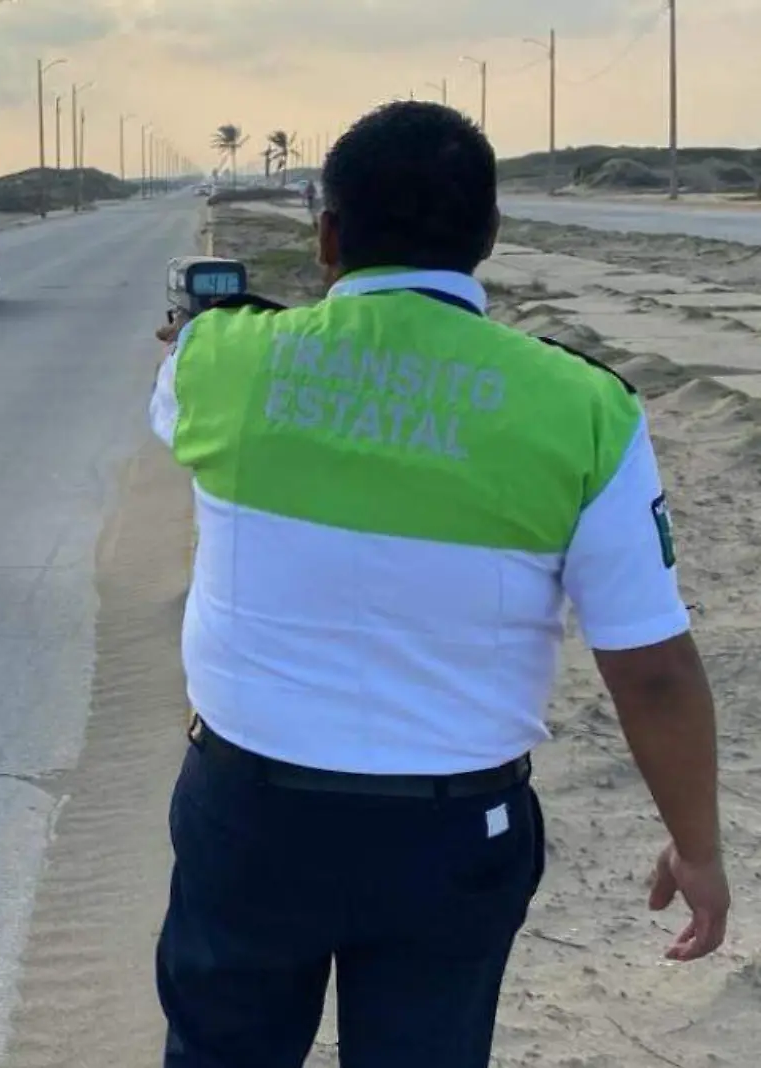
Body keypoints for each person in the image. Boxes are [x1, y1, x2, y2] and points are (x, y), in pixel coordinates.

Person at [147, 100, 729, 1068]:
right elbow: (653, 669)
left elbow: (176, 411)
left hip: (249, 816)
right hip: (453, 834)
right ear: (487, 237)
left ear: (327, 234)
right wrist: (696, 848)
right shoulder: (586, 411)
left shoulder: (219, 359)